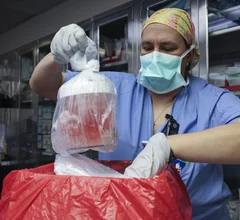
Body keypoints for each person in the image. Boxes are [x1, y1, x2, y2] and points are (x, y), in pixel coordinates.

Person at [30, 8, 240, 220]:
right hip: (120, 214)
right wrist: (56, 56)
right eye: (147, 47)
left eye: (168, 48)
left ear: (190, 56)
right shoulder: (114, 86)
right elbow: (43, 85)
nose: (155, 55)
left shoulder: (212, 100)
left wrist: (168, 146)